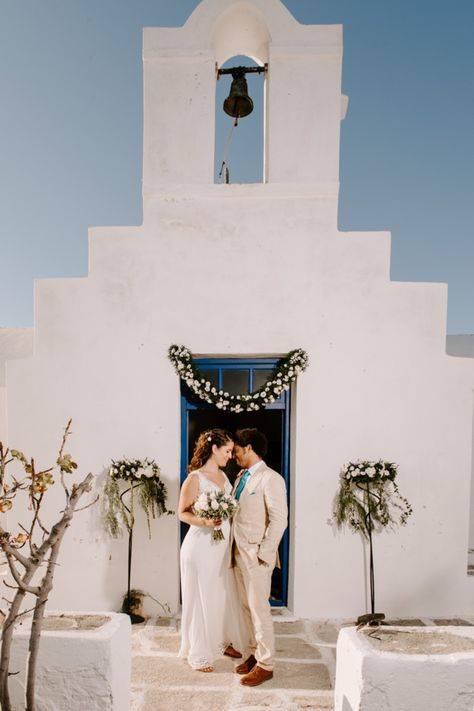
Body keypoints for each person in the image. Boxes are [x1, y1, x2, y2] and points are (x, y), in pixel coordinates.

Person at [178, 428, 244, 672]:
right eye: (227, 451)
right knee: (202, 596)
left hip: (221, 545)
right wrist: (206, 521)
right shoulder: (194, 479)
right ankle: (200, 652)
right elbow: (182, 512)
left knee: (222, 593)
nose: (230, 456)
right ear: (214, 449)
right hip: (201, 545)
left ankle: (221, 641)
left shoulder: (224, 478)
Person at [231, 427, 288, 686]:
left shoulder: (271, 478)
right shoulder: (240, 477)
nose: (234, 456)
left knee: (260, 610)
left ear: (250, 447)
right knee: (246, 608)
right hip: (237, 554)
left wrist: (264, 553)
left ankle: (267, 664)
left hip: (257, 557)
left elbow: (279, 520)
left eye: (237, 451)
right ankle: (254, 653)